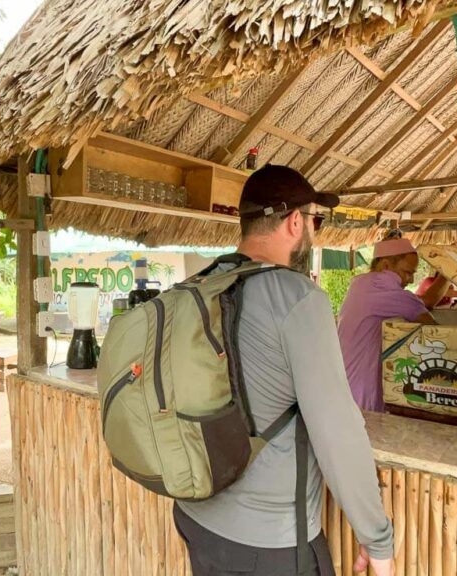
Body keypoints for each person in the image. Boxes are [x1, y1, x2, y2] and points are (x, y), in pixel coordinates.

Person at [174, 165, 394, 576]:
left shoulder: (201, 283)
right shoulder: (297, 298)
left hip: (196, 515)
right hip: (267, 540)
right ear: (296, 221)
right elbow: (337, 432)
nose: (315, 230)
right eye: (316, 220)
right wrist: (377, 538)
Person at [337, 236, 438, 413]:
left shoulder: (361, 284)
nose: (411, 280)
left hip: (345, 383)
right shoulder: (381, 287)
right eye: (408, 272)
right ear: (385, 266)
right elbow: (435, 328)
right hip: (360, 389)